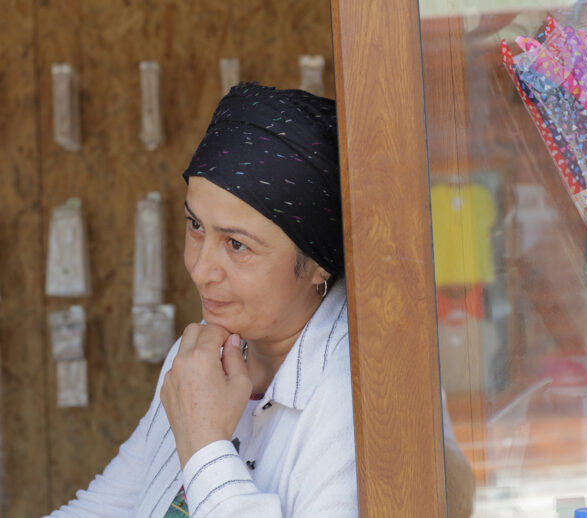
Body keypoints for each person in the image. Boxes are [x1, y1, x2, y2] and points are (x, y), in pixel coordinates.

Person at [45, 83, 358, 517]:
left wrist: (205, 445)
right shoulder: (202, 357)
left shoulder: (352, 397)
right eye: (195, 225)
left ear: (319, 262)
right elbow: (103, 508)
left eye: (236, 244)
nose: (198, 269)